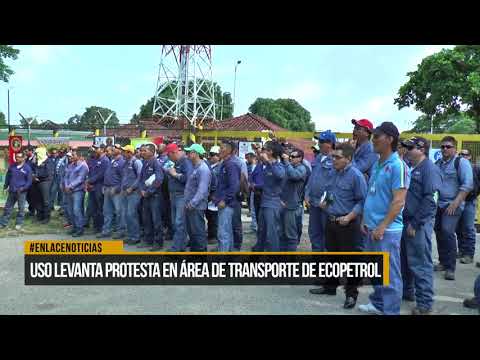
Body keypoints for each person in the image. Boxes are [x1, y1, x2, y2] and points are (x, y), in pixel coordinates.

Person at [358, 122, 410, 316]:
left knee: (390, 273)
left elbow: (398, 202)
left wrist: (382, 226)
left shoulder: (398, 166)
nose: (373, 139)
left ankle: (390, 310)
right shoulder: (378, 163)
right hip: (372, 227)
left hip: (386, 231)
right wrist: (365, 219)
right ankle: (378, 303)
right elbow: (372, 195)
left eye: (377, 136)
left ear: (389, 139)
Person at [309, 143, 367, 309]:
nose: (333, 160)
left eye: (337, 157)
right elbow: (330, 194)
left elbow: (362, 201)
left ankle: (351, 294)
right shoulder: (334, 173)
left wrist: (349, 217)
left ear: (348, 159)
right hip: (331, 220)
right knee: (332, 257)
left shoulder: (356, 176)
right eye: (333, 156)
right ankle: (330, 287)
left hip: (347, 223)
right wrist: (324, 204)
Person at [400, 137, 440, 315]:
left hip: (418, 223)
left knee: (420, 263)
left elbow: (431, 200)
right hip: (406, 220)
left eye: (411, 147)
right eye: (407, 147)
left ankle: (424, 303)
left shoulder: (429, 169)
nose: (407, 150)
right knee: (405, 261)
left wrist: (416, 223)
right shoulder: (410, 166)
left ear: (422, 149)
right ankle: (407, 292)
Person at [434, 136, 473, 281]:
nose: (445, 149)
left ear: (455, 148)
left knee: (447, 232)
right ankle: (443, 262)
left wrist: (455, 203)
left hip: (453, 205)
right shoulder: (438, 163)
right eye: (443, 146)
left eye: (448, 146)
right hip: (439, 204)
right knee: (438, 231)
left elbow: (467, 185)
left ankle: (450, 268)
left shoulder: (461, 162)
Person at [305, 130, 336, 251]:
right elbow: (312, 179)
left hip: (327, 205)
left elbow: (336, 185)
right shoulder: (318, 157)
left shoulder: (335, 159)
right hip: (314, 203)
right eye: (319, 141)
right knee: (314, 232)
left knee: (327, 235)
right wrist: (307, 195)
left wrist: (328, 201)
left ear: (331, 144)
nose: (319, 143)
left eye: (323, 141)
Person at [254, 140, 286, 252]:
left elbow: (280, 175)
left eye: (264, 149)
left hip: (272, 204)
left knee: (272, 234)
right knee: (261, 232)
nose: (262, 152)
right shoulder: (265, 165)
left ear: (270, 152)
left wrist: (269, 162)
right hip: (264, 202)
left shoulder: (278, 165)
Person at [164, 143, 193, 251]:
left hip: (182, 196)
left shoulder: (185, 162)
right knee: (175, 223)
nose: (168, 157)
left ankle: (177, 248)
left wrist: (175, 174)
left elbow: (188, 179)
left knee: (179, 223)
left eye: (169, 155)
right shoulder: (174, 162)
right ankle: (180, 245)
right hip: (174, 195)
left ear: (174, 153)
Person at [213, 141, 241, 252]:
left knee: (223, 233)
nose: (220, 150)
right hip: (223, 202)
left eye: (222, 148)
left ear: (229, 150)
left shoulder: (231, 164)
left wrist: (225, 200)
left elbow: (234, 186)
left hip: (227, 204)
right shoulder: (224, 163)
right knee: (227, 232)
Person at [183, 144, 212, 252]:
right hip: (191, 205)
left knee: (198, 232)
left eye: (189, 152)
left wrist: (192, 203)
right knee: (192, 232)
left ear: (195, 154)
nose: (187, 155)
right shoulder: (195, 167)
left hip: (196, 206)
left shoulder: (203, 169)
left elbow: (202, 190)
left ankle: (200, 256)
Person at [279, 149, 307, 251]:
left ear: (300, 158)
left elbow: (294, 176)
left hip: (292, 206)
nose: (290, 158)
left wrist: (286, 162)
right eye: (290, 156)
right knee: (281, 234)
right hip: (282, 204)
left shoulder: (302, 168)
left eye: (293, 156)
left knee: (291, 235)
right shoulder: (288, 167)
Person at [138, 144, 164, 251]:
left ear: (151, 152)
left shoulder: (156, 163)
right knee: (146, 219)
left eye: (144, 151)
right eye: (141, 151)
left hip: (154, 196)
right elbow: (141, 179)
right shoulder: (145, 163)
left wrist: (148, 192)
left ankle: (158, 242)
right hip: (145, 195)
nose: (142, 152)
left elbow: (159, 180)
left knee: (156, 220)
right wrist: (141, 190)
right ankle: (148, 239)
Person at [97, 144, 126, 238]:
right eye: (113, 148)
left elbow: (124, 178)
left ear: (120, 150)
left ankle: (120, 231)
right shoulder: (111, 160)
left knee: (119, 211)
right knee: (107, 211)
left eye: (116, 148)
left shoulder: (122, 162)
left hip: (116, 190)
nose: (113, 149)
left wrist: (117, 188)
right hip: (107, 188)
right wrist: (105, 186)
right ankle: (106, 231)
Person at [456, 149, 479, 264]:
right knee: (458, 227)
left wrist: (475, 193)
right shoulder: (457, 167)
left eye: (465, 154)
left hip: (469, 201)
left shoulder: (475, 168)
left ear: (469, 156)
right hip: (457, 201)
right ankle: (461, 250)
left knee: (469, 228)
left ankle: (469, 254)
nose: (462, 156)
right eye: (460, 154)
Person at [0, 152, 32, 230]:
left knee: (21, 208)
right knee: (8, 208)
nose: (17, 158)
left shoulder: (27, 168)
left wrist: (23, 188)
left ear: (24, 158)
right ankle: (3, 223)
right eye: (16, 157)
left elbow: (29, 181)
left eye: (19, 157)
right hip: (12, 191)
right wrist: (5, 186)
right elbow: (8, 176)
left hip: (21, 192)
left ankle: (18, 223)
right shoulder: (12, 166)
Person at [120, 145, 143, 245]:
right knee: (126, 215)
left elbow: (140, 177)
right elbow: (124, 177)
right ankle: (130, 235)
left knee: (131, 214)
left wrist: (132, 188)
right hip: (125, 192)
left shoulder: (136, 162)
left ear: (129, 152)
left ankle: (135, 236)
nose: (123, 153)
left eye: (124, 151)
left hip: (134, 193)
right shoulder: (125, 163)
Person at [63, 150, 89, 237]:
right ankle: (74, 227)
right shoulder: (70, 165)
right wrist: (66, 186)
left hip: (78, 191)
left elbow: (80, 179)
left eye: (73, 155)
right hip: (69, 191)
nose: (71, 157)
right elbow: (66, 176)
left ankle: (80, 229)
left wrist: (70, 186)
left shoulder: (83, 166)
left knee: (76, 210)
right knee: (70, 210)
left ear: (78, 156)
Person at [85, 144, 109, 234]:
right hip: (92, 187)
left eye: (96, 148)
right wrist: (89, 183)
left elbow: (101, 174)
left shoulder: (105, 160)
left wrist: (90, 181)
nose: (94, 150)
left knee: (100, 208)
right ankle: (95, 227)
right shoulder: (95, 159)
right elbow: (90, 172)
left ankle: (100, 227)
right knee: (92, 208)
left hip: (99, 187)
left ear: (102, 149)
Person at [31, 147, 55, 224]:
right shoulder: (36, 161)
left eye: (37, 153)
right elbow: (32, 170)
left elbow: (47, 173)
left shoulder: (48, 161)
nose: (36, 155)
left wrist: (36, 176)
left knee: (45, 201)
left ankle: (46, 218)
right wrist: (33, 176)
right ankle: (39, 217)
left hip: (45, 182)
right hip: (37, 182)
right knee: (38, 200)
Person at [232, 144, 248, 251]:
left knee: (235, 222)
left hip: (235, 196)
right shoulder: (223, 162)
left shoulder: (240, 162)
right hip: (225, 198)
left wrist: (243, 194)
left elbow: (244, 179)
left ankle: (237, 245)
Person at [206, 145, 221, 244]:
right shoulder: (209, 166)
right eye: (210, 155)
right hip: (209, 195)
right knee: (209, 216)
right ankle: (211, 233)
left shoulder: (219, 168)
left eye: (213, 155)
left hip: (215, 195)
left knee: (214, 217)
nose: (210, 157)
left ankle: (214, 236)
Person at [246, 152, 258, 234]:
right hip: (252, 190)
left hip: (256, 190)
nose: (247, 159)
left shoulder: (256, 166)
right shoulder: (249, 165)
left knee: (254, 209)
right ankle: (254, 226)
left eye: (248, 158)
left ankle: (255, 227)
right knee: (252, 208)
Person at [24, 145, 37, 218]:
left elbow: (36, 170)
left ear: (31, 151)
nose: (25, 152)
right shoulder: (27, 159)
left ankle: (33, 212)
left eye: (26, 151)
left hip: (33, 181)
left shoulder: (35, 159)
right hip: (27, 181)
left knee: (32, 197)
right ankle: (31, 210)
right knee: (28, 197)